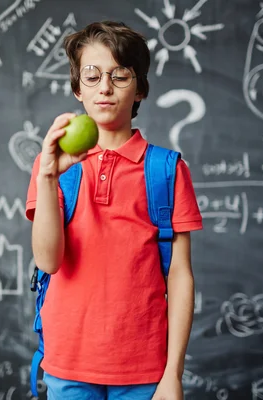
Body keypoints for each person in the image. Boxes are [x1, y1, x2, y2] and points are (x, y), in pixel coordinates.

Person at [25, 20, 203, 400]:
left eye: (119, 76)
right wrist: (47, 177)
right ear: (77, 89)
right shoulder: (53, 166)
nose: (104, 87)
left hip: (145, 371)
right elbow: (48, 260)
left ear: (140, 89)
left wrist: (173, 374)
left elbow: (180, 276)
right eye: (91, 76)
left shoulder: (167, 171)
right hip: (68, 365)